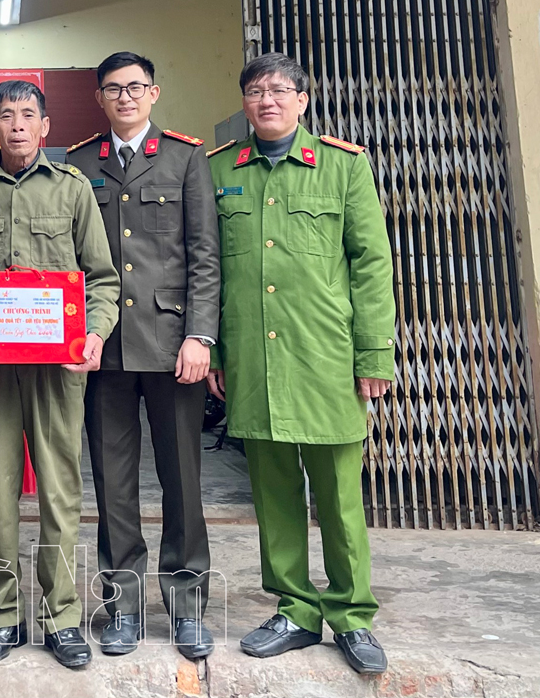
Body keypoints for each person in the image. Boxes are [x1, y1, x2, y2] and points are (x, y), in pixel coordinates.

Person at [206, 54, 396, 676]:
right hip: (253, 357)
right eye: (255, 90)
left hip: (325, 357)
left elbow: (371, 265)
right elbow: (211, 268)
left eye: (279, 90)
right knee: (273, 493)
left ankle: (352, 615)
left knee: (339, 496)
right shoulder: (220, 169)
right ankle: (294, 609)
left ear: (303, 99)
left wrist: (374, 353)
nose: (267, 100)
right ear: (244, 102)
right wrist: (218, 350)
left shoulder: (344, 166)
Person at [0, 80, 120, 670]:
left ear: (45, 126)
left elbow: (101, 279)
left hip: (58, 369)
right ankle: (0, 616)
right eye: (5, 115)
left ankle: (62, 616)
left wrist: (94, 335)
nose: (16, 124)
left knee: (60, 492)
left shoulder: (72, 189)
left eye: (27, 115)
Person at [66, 51, 220, 659]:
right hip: (103, 347)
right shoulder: (80, 163)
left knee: (182, 478)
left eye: (135, 87)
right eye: (113, 88)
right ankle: (122, 607)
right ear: (99, 98)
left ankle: (186, 607)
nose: (125, 97)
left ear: (154, 93)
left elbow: (205, 254)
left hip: (172, 343)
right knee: (113, 482)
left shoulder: (185, 158)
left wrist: (201, 336)